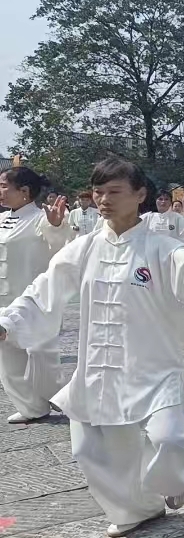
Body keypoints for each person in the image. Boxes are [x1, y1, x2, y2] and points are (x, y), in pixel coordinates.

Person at [0, 157, 184, 537]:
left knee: (169, 440)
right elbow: (44, 288)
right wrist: (8, 322)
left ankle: (174, 484)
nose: (103, 199)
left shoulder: (160, 246)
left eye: (114, 191)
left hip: (152, 368)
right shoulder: (84, 247)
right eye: (98, 191)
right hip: (97, 369)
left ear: (140, 194)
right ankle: (138, 508)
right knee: (88, 451)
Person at [0, 162, 73, 422]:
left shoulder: (43, 218)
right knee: (9, 362)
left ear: (25, 191)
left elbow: (62, 246)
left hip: (37, 302)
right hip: (4, 302)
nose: (0, 191)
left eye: (4, 186)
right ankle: (32, 408)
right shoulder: (2, 219)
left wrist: (57, 226)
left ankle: (65, 399)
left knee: (42, 358)